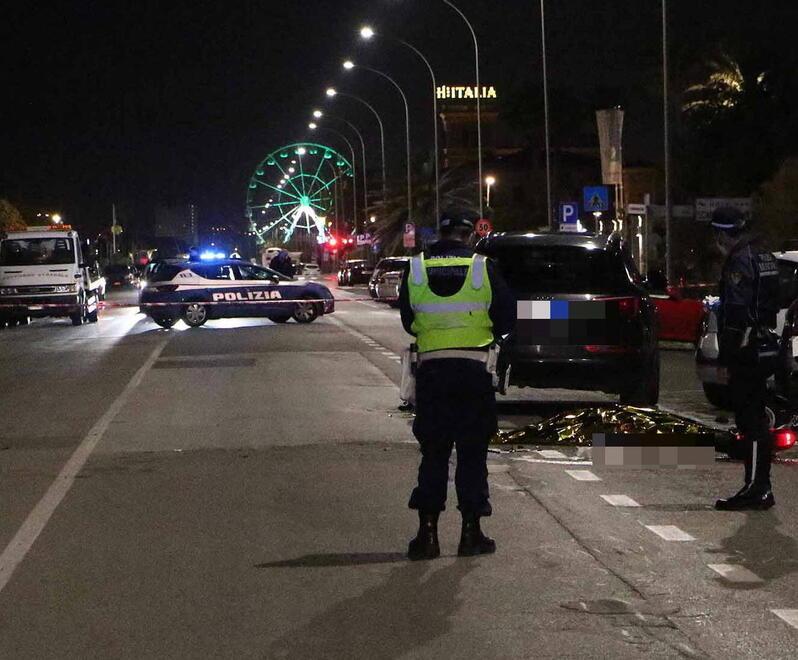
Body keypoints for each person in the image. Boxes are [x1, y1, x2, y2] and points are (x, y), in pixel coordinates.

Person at [398, 207, 515, 560]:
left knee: (433, 452)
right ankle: (471, 534)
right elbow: (506, 317)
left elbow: (407, 320)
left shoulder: (415, 268)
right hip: (474, 372)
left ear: (440, 234)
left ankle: (427, 536)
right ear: (469, 235)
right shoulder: (483, 268)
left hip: (432, 373)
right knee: (472, 453)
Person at [712, 207, 780, 511]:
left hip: (747, 348)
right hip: (765, 343)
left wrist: (726, 356)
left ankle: (756, 488)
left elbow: (736, 313)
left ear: (723, 233)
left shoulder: (739, 260)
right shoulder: (764, 255)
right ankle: (760, 485)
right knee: (758, 420)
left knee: (750, 420)